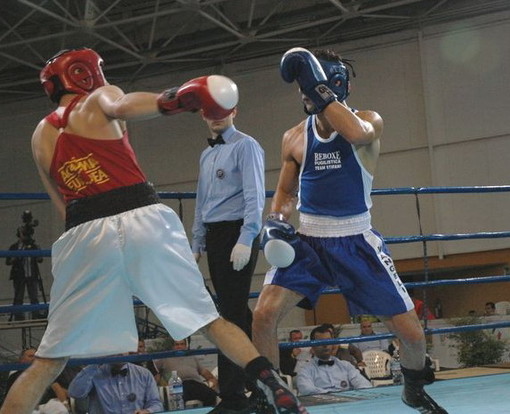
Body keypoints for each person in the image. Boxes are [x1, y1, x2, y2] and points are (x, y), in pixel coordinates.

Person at [0, 47, 306, 414]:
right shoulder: (99, 97)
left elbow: (60, 201)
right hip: (140, 217)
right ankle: (271, 384)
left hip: (81, 234)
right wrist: (171, 100)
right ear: (86, 74)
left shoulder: (39, 135)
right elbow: (125, 105)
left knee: (49, 360)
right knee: (211, 320)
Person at [253, 47, 447, 413]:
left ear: (330, 86)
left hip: (356, 240)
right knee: (263, 314)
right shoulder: (294, 136)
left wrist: (318, 84)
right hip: (308, 240)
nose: (305, 93)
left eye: (311, 84)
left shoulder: (369, 121)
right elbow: (284, 191)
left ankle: (413, 387)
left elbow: (356, 134)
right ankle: (272, 398)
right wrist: (276, 221)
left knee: (411, 335)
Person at [191, 105, 265, 413]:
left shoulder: (246, 145)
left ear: (234, 109)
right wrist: (197, 241)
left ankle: (234, 397)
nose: (216, 116)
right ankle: (262, 382)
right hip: (215, 236)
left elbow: (255, 195)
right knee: (237, 313)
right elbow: (201, 200)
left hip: (237, 233)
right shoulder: (206, 154)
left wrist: (247, 237)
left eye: (222, 110)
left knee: (230, 315)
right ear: (202, 114)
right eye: (210, 110)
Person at [296, 325, 372, 396]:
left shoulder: (346, 365)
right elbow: (306, 389)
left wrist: (354, 396)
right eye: (320, 342)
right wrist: (334, 395)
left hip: (349, 404)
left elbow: (365, 385)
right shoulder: (305, 369)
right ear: (312, 345)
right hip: (322, 406)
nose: (325, 345)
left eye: (328, 341)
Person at [68, 361, 163, 414]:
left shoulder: (144, 374)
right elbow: (75, 393)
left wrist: (147, 411)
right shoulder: (94, 373)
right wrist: (95, 363)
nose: (120, 352)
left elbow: (156, 404)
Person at [155, 338, 219, 407]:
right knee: (179, 399)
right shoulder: (166, 358)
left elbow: (206, 373)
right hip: (179, 385)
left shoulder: (192, 357)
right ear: (173, 346)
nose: (179, 346)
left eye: (182, 344)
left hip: (196, 384)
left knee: (212, 395)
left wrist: (212, 381)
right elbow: (155, 371)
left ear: (186, 346)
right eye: (177, 344)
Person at [5, 347, 71, 411]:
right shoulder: (15, 377)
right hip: (28, 408)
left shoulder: (45, 373)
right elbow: (12, 400)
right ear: (22, 360)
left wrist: (65, 404)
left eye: (36, 356)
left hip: (48, 405)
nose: (34, 358)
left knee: (60, 409)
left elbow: (57, 388)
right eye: (30, 356)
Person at [6, 225, 43, 321]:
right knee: (18, 297)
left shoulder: (33, 246)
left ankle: (36, 314)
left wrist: (37, 250)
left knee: (34, 297)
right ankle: (19, 316)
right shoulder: (14, 247)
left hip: (31, 274)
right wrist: (17, 255)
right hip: (19, 275)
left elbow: (40, 259)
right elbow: (8, 261)